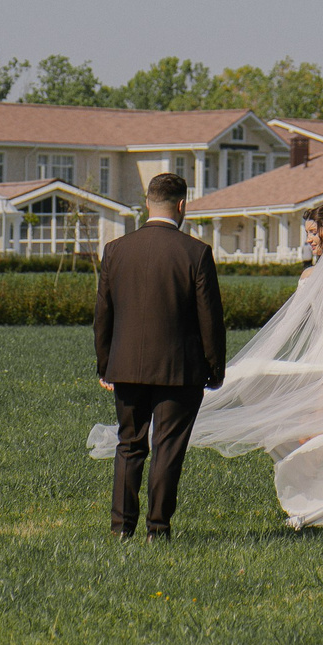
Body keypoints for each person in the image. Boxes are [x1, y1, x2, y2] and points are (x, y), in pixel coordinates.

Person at [94, 200, 323, 530]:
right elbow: (294, 321)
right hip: (321, 358)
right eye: (307, 234)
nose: (309, 241)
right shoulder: (309, 275)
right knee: (316, 434)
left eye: (313, 233)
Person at [90, 173, 225, 540]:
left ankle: (121, 529)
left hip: (127, 366)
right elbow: (209, 319)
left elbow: (103, 314)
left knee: (129, 445)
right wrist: (215, 368)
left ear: (147, 202)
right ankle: (158, 529)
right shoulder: (196, 253)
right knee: (167, 448)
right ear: (182, 205)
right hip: (180, 370)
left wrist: (105, 364)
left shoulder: (116, 250)